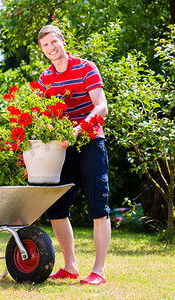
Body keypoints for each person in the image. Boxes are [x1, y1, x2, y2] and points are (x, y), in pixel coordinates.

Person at [37, 25, 111, 285]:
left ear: (62, 41)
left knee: (98, 207)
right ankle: (70, 266)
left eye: (53, 42)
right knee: (56, 207)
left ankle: (98, 270)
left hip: (90, 140)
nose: (51, 48)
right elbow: (39, 113)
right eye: (45, 45)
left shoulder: (85, 67)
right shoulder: (45, 78)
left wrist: (80, 128)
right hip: (62, 147)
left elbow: (101, 106)